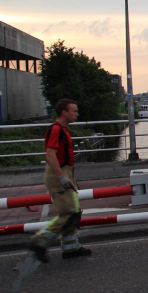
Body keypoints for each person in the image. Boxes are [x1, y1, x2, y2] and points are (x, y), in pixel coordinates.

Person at [28, 99, 91, 262]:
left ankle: (71, 248)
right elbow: (50, 155)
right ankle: (39, 241)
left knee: (74, 211)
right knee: (69, 212)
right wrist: (62, 177)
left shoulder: (62, 129)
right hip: (58, 174)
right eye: (74, 111)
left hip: (65, 172)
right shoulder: (56, 130)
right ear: (64, 112)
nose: (77, 114)